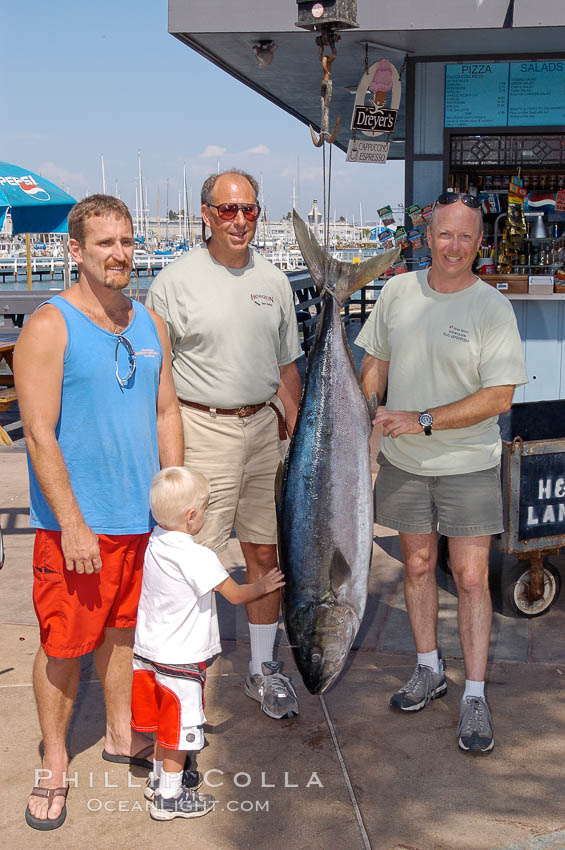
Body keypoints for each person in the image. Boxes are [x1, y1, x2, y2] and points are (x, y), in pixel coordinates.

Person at [14, 195, 184, 830]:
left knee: (124, 636)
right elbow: (38, 433)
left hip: (142, 523)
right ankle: (54, 764)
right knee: (64, 645)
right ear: (76, 251)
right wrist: (74, 523)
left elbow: (167, 413)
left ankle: (119, 733)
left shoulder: (149, 324)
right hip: (76, 529)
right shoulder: (49, 326)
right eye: (105, 243)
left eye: (127, 241)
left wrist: (175, 499)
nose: (119, 254)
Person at [356, 192, 528, 754]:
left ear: (480, 245)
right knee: (418, 565)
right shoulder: (399, 292)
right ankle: (428, 668)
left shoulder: (491, 307)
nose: (453, 247)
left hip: (469, 465)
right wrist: (362, 420)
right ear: (427, 237)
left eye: (466, 238)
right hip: (404, 463)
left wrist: (422, 418)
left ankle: (474, 692)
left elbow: (499, 397)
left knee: (473, 578)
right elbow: (375, 361)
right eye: (444, 235)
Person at [145, 169, 303, 720]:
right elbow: (159, 374)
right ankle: (188, 680)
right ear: (206, 215)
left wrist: (299, 428)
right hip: (201, 427)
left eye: (250, 210)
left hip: (264, 427)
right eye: (228, 210)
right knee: (197, 557)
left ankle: (262, 668)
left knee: (265, 550)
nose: (240, 220)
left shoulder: (277, 280)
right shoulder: (171, 282)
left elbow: (287, 367)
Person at [132, 466, 285, 820]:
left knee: (161, 722)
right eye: (205, 509)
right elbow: (234, 594)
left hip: (149, 654)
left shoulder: (155, 541)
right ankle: (170, 798)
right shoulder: (197, 557)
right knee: (178, 729)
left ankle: (158, 779)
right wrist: (262, 586)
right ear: (191, 516)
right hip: (180, 659)